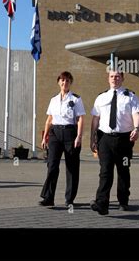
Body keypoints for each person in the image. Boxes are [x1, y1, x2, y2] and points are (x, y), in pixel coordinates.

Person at [90, 71, 139, 215]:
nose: (115, 79)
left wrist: (137, 129)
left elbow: (136, 114)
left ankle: (123, 200)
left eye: (118, 76)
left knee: (123, 170)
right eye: (112, 76)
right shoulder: (101, 97)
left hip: (124, 140)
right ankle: (102, 203)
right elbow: (95, 119)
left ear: (122, 78)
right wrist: (92, 138)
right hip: (105, 139)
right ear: (108, 79)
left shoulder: (130, 96)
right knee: (105, 171)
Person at [40, 71, 85, 208]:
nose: (65, 83)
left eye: (67, 81)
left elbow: (80, 119)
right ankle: (48, 197)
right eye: (62, 80)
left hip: (70, 133)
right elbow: (49, 119)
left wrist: (79, 136)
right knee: (52, 165)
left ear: (70, 83)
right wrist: (44, 137)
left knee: (71, 167)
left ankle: (69, 199)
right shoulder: (53, 100)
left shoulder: (76, 99)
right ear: (58, 82)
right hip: (55, 134)